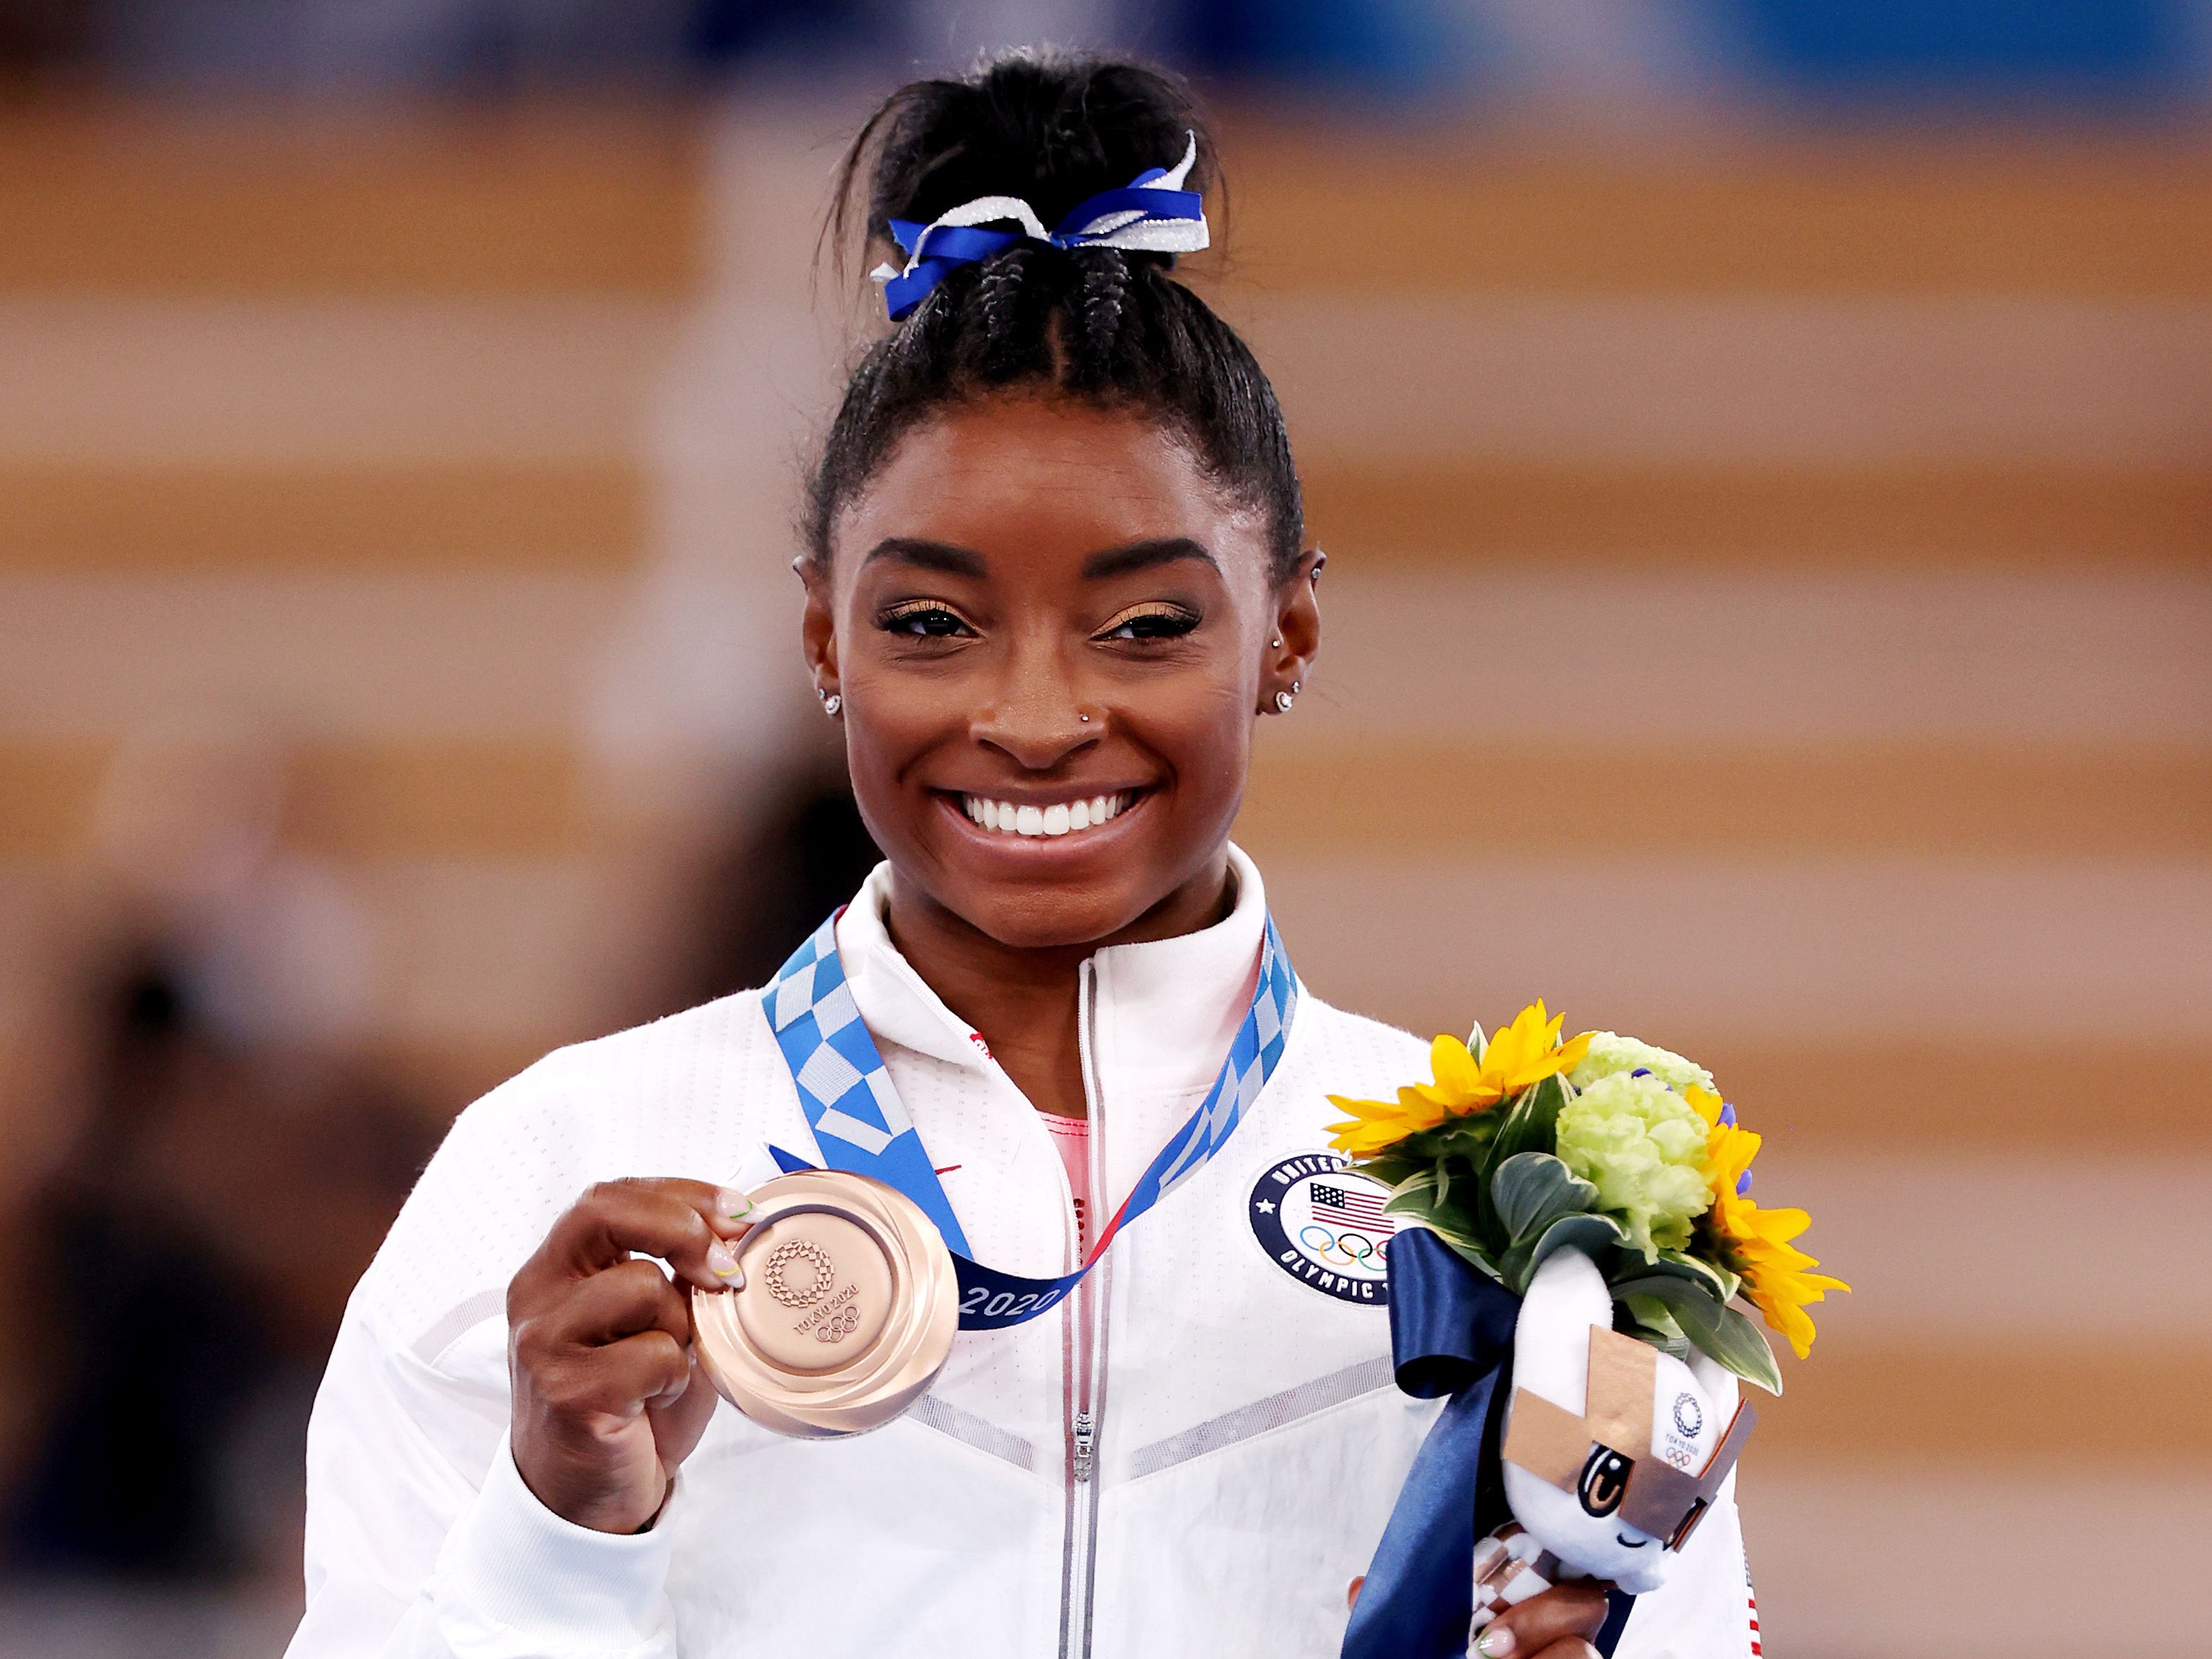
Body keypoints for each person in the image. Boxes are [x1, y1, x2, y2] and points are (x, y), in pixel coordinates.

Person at [285, 51, 1757, 1659]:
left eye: (1143, 625)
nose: (1039, 716)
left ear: (1287, 630)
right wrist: (562, 1539)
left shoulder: (1509, 1229)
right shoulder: (564, 1167)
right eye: (931, 623)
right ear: (820, 639)